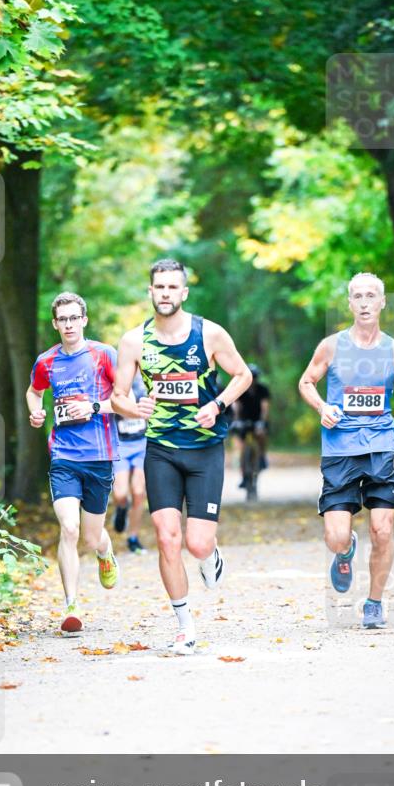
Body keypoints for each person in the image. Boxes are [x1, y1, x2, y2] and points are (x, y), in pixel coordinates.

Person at [112, 258, 252, 655]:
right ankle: (184, 625)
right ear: (150, 292)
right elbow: (118, 395)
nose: (166, 294)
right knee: (167, 538)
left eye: (174, 288)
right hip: (160, 450)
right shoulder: (133, 341)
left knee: (197, 543)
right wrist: (131, 409)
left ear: (184, 292)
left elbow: (243, 375)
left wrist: (219, 405)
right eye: (160, 287)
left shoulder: (209, 334)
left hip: (205, 449)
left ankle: (210, 555)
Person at [298, 272, 394, 629]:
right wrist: (323, 407)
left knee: (383, 530)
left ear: (382, 302)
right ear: (350, 303)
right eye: (357, 296)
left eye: (371, 295)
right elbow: (306, 381)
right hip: (339, 450)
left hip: (380, 448)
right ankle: (345, 552)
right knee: (336, 536)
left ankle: (374, 603)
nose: (364, 302)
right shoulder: (332, 346)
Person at [26, 291, 126, 635]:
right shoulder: (47, 361)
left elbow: (127, 401)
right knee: (68, 528)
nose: (68, 324)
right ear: (55, 324)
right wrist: (35, 411)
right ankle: (71, 606)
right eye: (62, 319)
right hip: (64, 456)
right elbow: (34, 391)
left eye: (74, 318)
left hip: (99, 457)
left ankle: (104, 550)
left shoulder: (103, 355)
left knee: (89, 537)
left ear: (84, 319)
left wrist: (95, 407)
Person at [112, 373, 148, 554]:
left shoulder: (146, 383)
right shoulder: (116, 383)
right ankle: (121, 507)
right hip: (121, 445)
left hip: (142, 443)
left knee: (139, 492)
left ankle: (133, 538)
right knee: (120, 494)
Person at [231, 363, 271, 487]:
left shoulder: (263, 389)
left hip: (258, 420)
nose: (253, 379)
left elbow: (265, 408)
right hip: (243, 421)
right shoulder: (240, 390)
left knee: (261, 435)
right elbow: (236, 406)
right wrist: (236, 420)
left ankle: (262, 457)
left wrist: (262, 421)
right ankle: (243, 475)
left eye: (255, 377)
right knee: (241, 448)